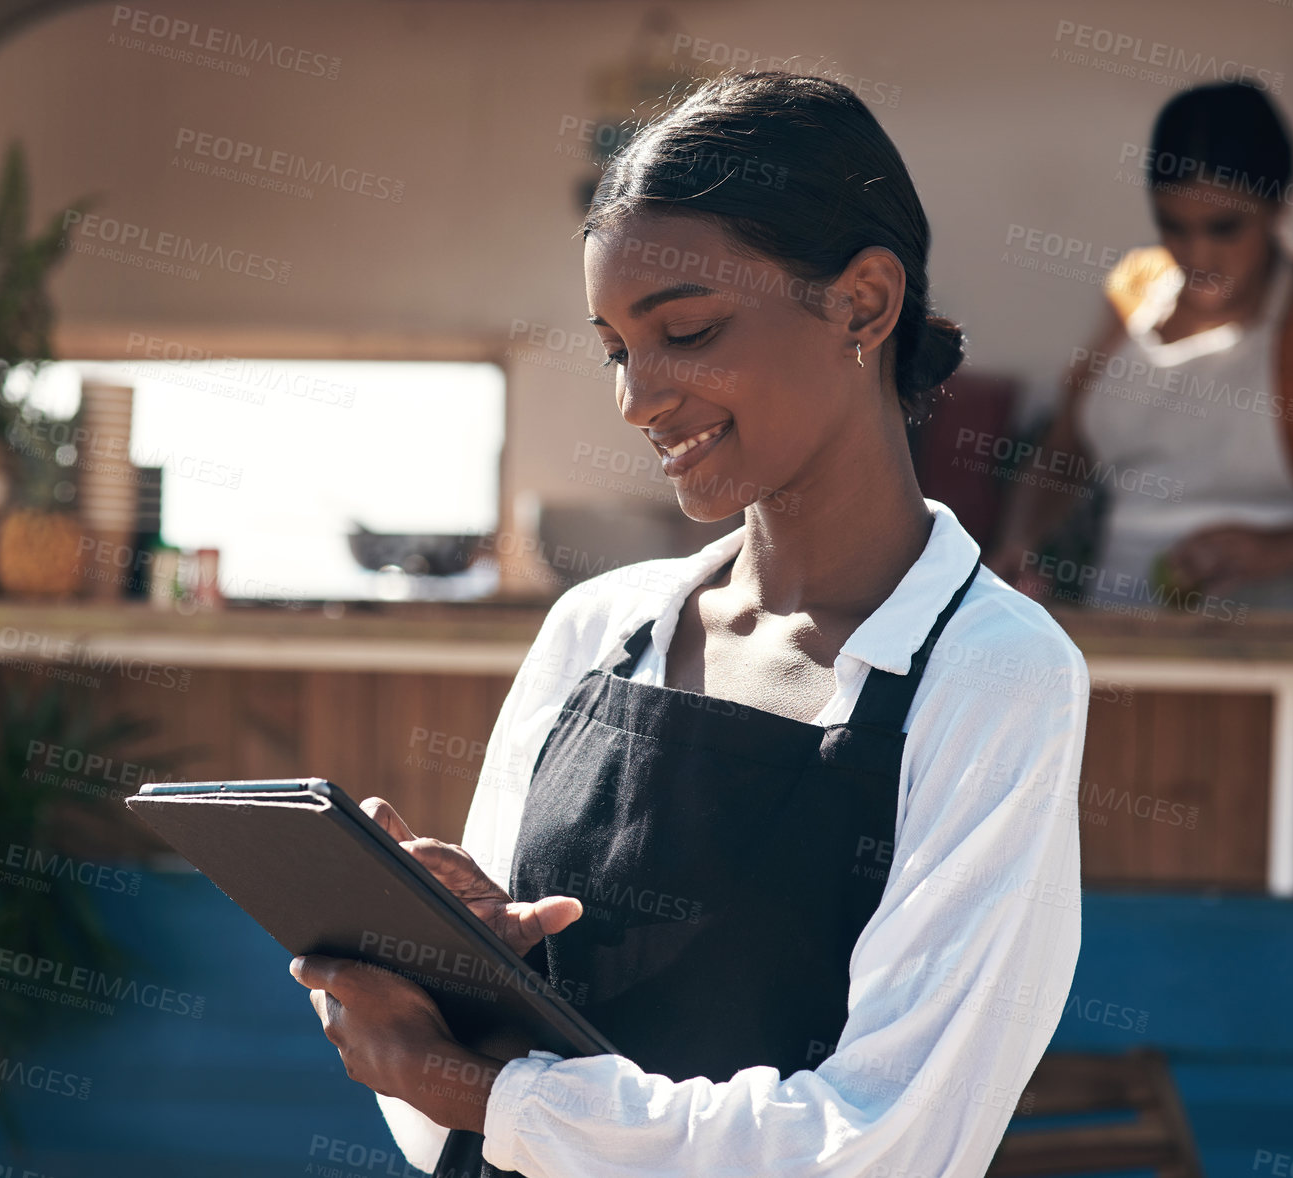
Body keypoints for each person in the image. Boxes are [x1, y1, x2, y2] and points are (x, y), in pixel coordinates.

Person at [288, 72, 1089, 1178]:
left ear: (862, 301)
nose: (635, 397)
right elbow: (442, 1127)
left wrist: (481, 1084)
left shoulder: (992, 671)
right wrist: (454, 985)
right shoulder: (594, 629)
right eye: (618, 348)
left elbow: (877, 1141)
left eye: (687, 330)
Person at [986, 80, 1293, 611]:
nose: (1197, 253)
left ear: (1277, 206)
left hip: (1284, 643)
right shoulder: (1133, 288)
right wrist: (1019, 542)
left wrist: (1284, 548)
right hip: (1126, 624)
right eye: (1173, 227)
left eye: (1225, 228)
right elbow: (1064, 455)